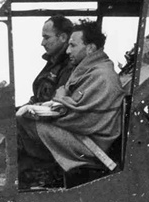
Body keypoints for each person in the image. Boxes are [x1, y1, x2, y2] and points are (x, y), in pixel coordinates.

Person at [17, 19, 125, 187]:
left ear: (90, 48)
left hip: (90, 143)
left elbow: (78, 116)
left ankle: (42, 175)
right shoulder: (89, 71)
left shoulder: (102, 76)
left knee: (22, 123)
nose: (68, 51)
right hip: (82, 135)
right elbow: (64, 98)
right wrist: (56, 103)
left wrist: (49, 108)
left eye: (73, 46)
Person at [30, 14, 75, 103]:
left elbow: (55, 106)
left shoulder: (69, 66)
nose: (42, 43)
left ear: (63, 37)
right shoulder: (53, 62)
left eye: (47, 37)